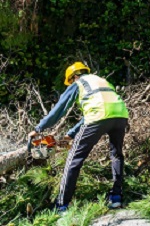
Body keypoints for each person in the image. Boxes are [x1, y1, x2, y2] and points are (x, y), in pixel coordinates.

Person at [28, 62, 129, 211]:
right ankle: (116, 198)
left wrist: (38, 128)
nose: (71, 84)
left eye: (70, 81)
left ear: (74, 76)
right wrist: (71, 134)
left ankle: (61, 205)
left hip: (97, 117)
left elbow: (58, 110)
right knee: (116, 155)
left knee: (73, 160)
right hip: (121, 116)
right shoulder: (102, 81)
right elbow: (96, 111)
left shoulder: (79, 83)